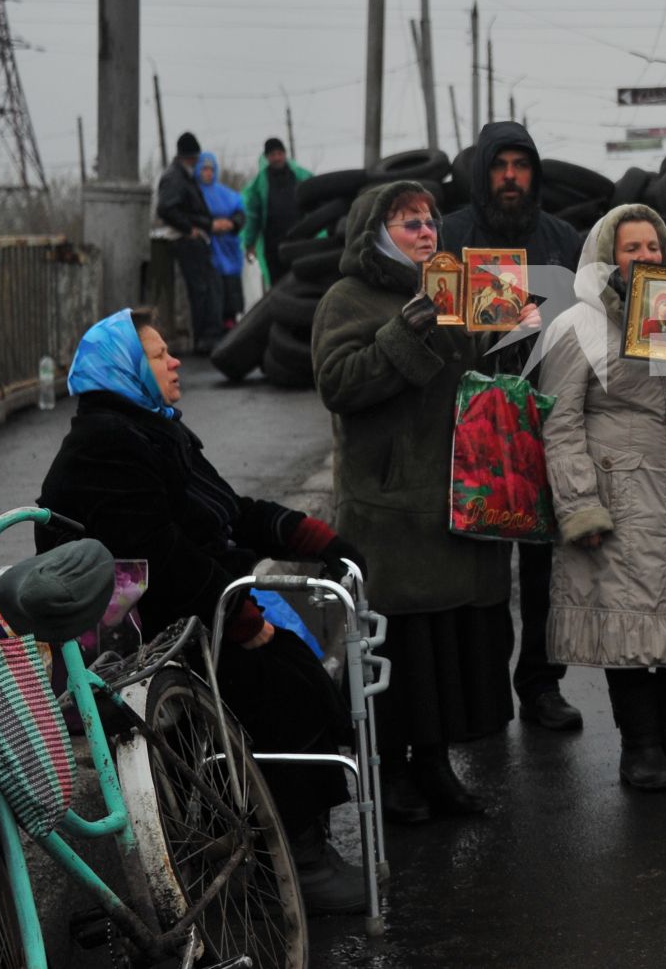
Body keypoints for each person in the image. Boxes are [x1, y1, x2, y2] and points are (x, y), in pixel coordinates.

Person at [35, 307, 367, 914]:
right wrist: (238, 616)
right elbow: (158, 557)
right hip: (144, 639)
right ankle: (292, 862)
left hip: (188, 615)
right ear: (126, 368)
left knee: (295, 665)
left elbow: (226, 510)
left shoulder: (152, 429)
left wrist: (303, 534)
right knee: (281, 685)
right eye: (159, 354)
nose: (175, 360)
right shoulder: (105, 447)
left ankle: (297, 849)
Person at [312, 180, 531, 822]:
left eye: (430, 221)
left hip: (461, 495)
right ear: (374, 233)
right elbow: (338, 383)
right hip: (390, 507)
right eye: (408, 223)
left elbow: (490, 379)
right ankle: (391, 776)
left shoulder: (460, 286)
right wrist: (406, 329)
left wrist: (517, 332)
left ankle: (435, 766)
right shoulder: (346, 298)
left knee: (448, 643)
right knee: (401, 648)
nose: (427, 232)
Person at [539, 204, 666, 789]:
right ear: (610, 257)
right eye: (632, 250)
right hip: (622, 497)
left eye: (653, 249)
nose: (645, 259)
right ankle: (641, 747)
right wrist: (579, 505)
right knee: (629, 624)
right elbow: (559, 423)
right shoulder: (577, 324)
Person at [440, 120, 587, 731]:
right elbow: (435, 321)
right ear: (483, 172)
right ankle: (482, 688)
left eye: (520, 166)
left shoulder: (561, 239)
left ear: (534, 173)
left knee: (545, 567)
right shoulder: (450, 235)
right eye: (499, 166)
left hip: (543, 416)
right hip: (469, 423)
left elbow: (586, 324)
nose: (509, 177)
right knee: (479, 566)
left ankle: (541, 682)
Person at [155, 131, 224, 354]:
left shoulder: (181, 175)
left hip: (193, 239)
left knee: (206, 287)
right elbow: (166, 208)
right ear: (192, 156)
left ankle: (207, 335)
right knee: (202, 289)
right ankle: (205, 337)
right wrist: (189, 228)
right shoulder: (176, 177)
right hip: (186, 241)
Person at [242, 137, 311, 288]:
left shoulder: (300, 176)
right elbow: (253, 216)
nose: (277, 158)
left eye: (280, 153)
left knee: (302, 283)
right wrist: (249, 243)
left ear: (285, 154)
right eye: (272, 154)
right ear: (267, 157)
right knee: (279, 286)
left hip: (300, 241)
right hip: (274, 246)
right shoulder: (259, 183)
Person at [196, 151, 247, 328]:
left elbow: (241, 213)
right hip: (209, 250)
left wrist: (231, 224)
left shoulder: (227, 194)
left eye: (211, 169)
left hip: (229, 249)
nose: (208, 173)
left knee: (231, 287)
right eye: (204, 169)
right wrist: (212, 225)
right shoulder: (195, 194)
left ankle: (230, 320)